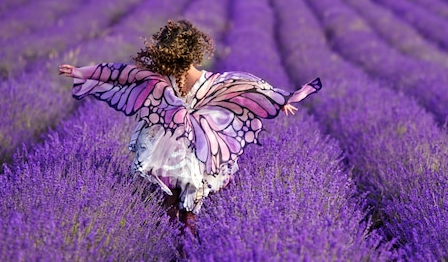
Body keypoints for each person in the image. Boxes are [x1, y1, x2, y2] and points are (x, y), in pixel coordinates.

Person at [58, 19, 321, 236]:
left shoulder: (184, 79)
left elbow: (247, 87)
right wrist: (83, 72)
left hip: (182, 143)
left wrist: (279, 100)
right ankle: (179, 238)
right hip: (183, 143)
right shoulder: (186, 79)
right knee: (181, 195)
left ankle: (179, 237)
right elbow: (123, 74)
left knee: (180, 194)